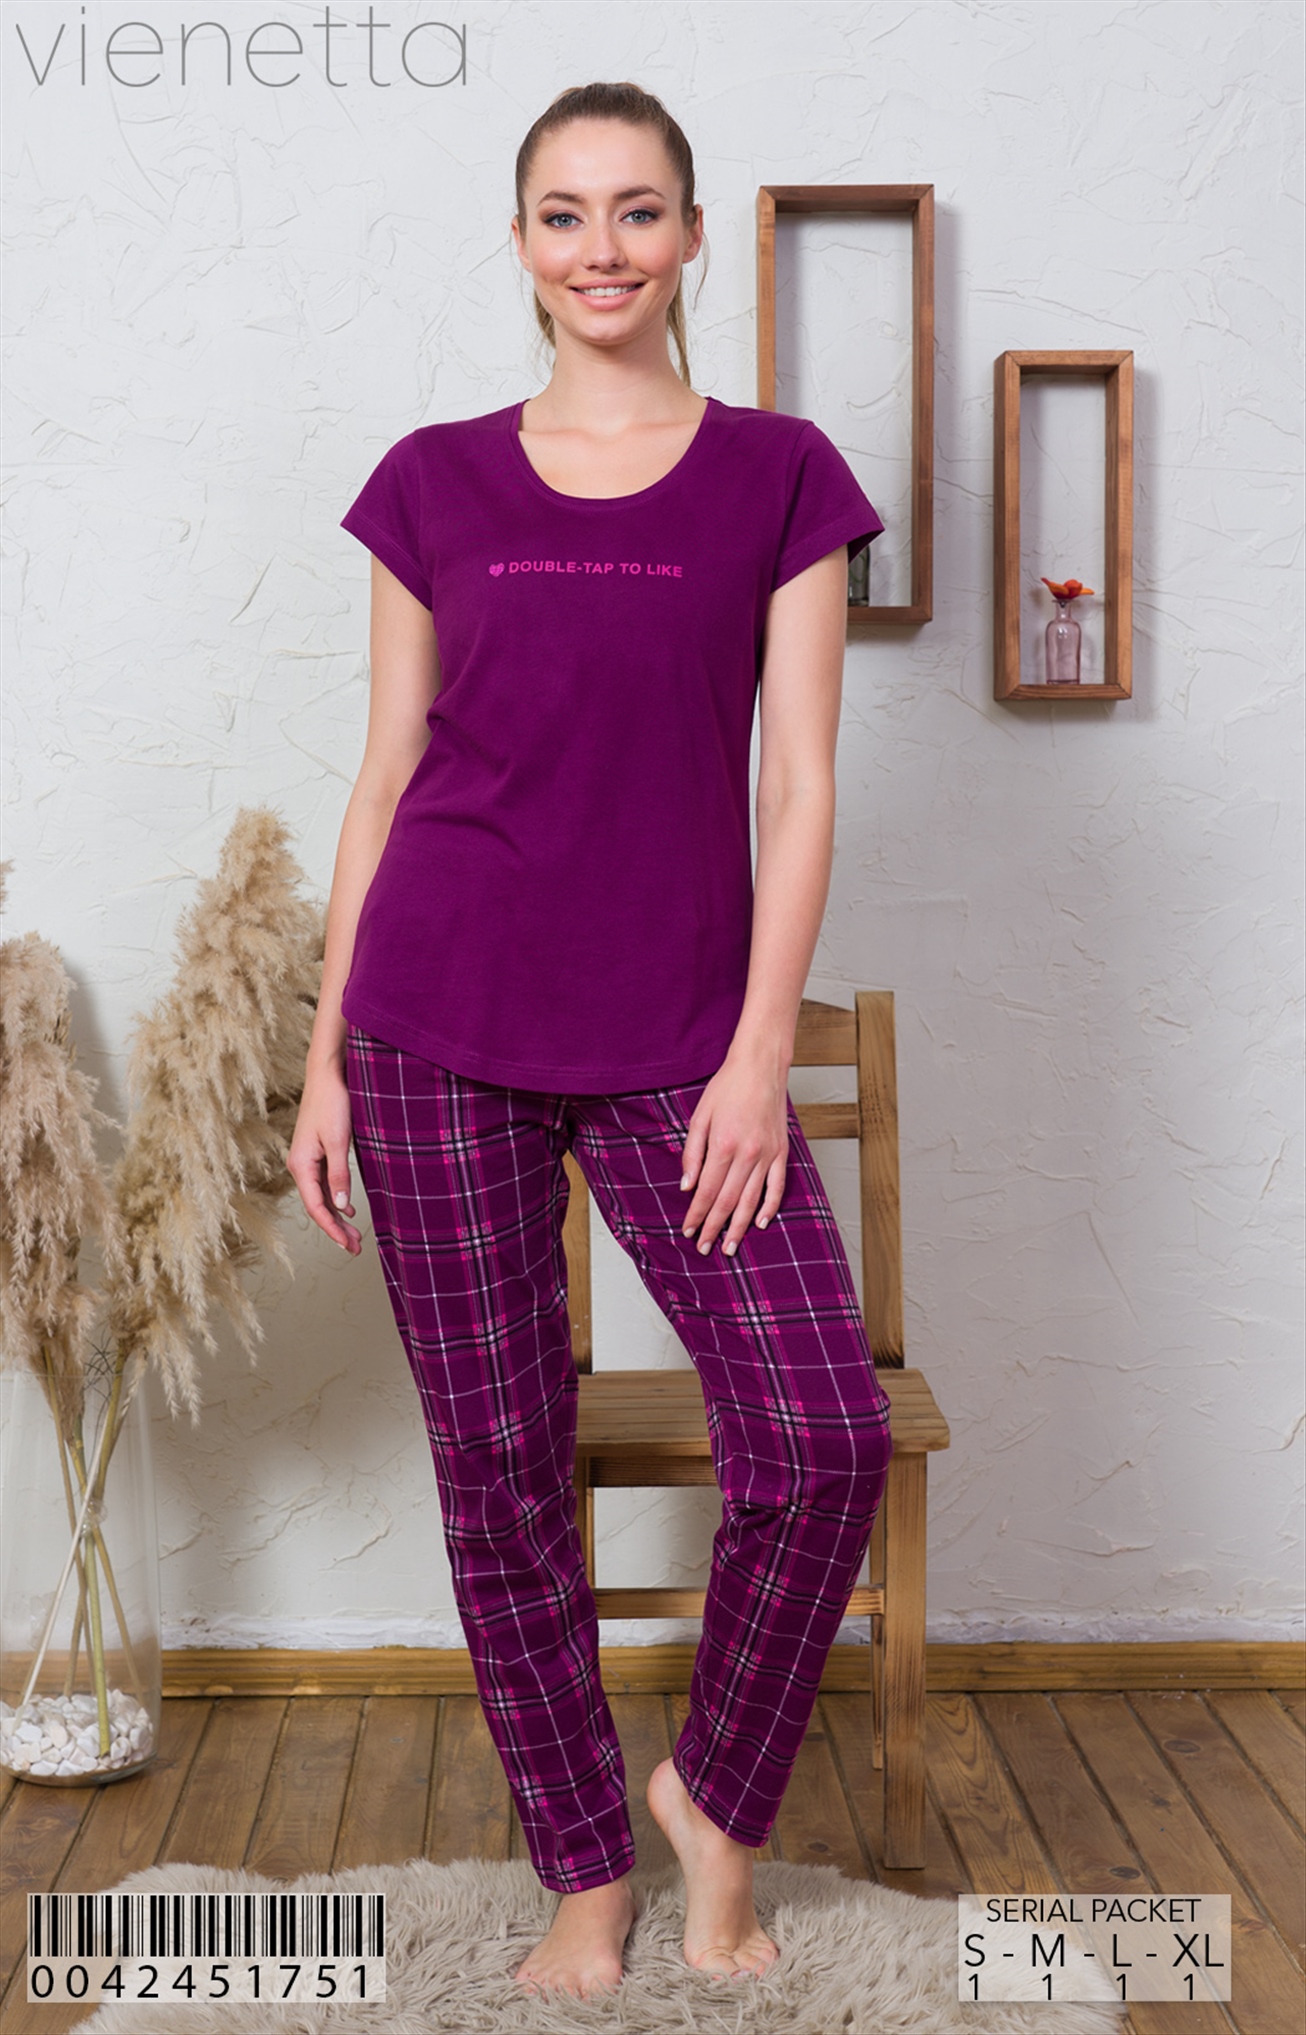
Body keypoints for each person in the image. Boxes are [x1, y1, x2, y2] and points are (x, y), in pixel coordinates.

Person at [288, 79, 893, 2003]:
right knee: (498, 1469)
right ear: (523, 242)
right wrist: (324, 1056)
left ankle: (711, 1803)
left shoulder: (780, 475)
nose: (602, 249)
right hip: (433, 1023)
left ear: (692, 235)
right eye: (565, 214)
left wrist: (754, 1053)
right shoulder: (432, 481)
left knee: (819, 1435)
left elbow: (797, 785)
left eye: (638, 211)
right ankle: (582, 1878)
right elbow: (385, 780)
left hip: (679, 1041)